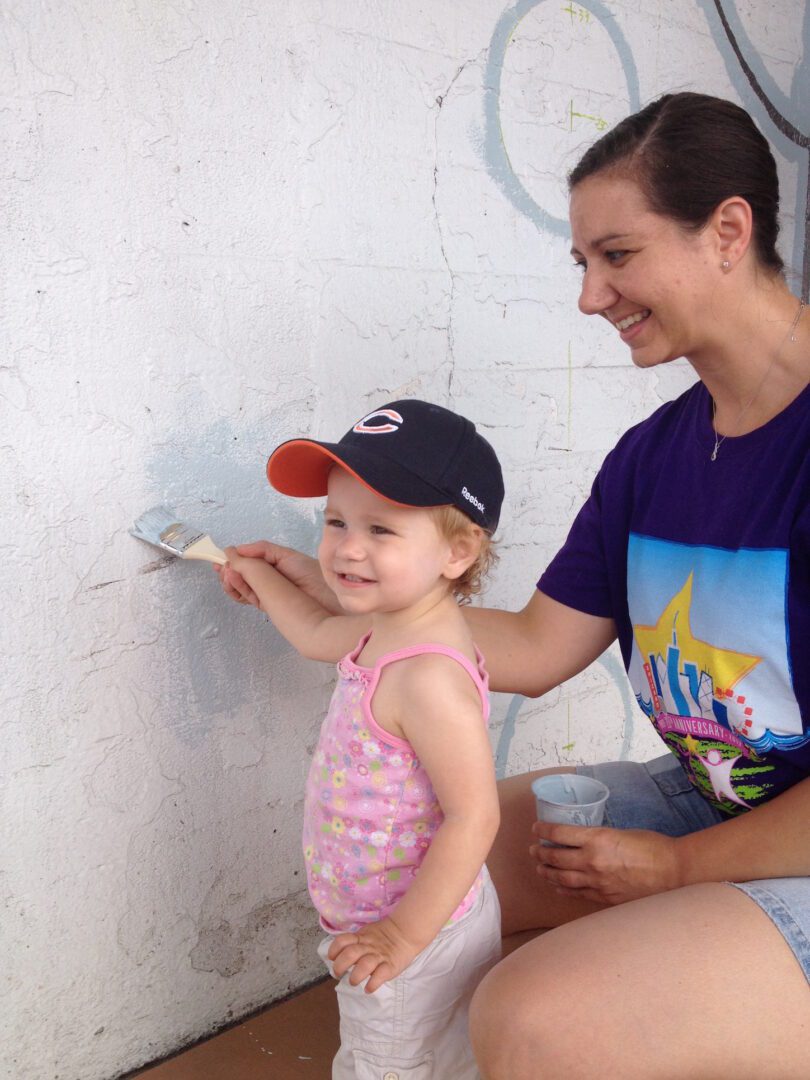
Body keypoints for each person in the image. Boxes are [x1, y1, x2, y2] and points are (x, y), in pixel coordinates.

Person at [220, 91, 810, 1077]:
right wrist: (347, 601)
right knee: (431, 869)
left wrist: (678, 869)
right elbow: (536, 648)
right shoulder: (651, 457)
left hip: (767, 836)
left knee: (537, 1021)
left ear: (728, 231)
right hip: (716, 801)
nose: (590, 295)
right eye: (582, 263)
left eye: (616, 255)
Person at [219, 399, 505, 1079]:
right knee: (438, 1059)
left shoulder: (427, 676)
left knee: (385, 1066)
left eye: (380, 529)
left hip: (411, 931)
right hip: (395, 920)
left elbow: (476, 814)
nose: (347, 547)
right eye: (336, 521)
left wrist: (401, 937)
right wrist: (269, 573)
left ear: (458, 551)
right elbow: (318, 635)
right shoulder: (395, 626)